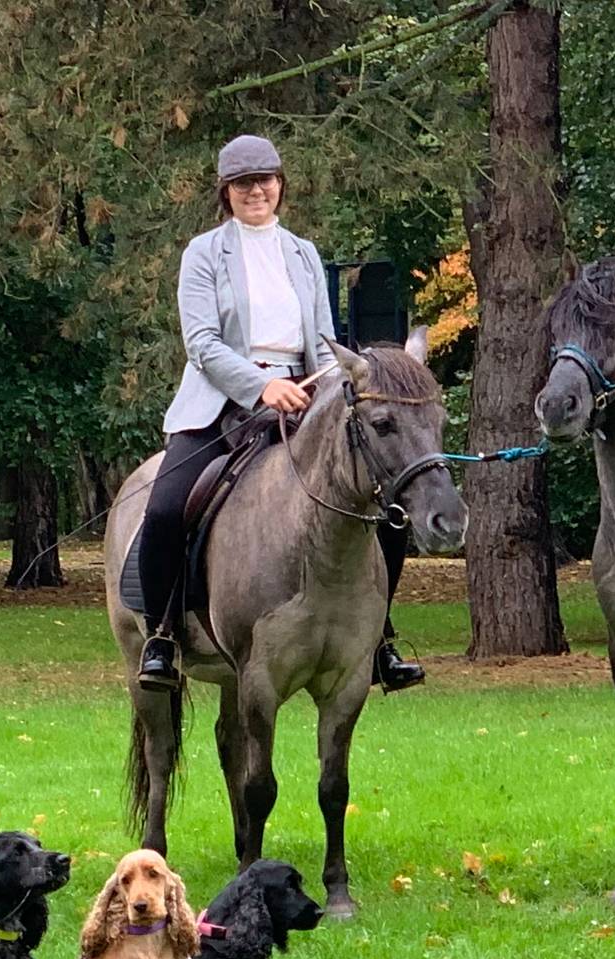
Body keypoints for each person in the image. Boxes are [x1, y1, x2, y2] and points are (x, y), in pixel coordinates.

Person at [133, 134, 422, 694]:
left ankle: (380, 638)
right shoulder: (203, 254)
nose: (256, 190)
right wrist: (261, 387)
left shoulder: (303, 253)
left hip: (308, 396)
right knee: (168, 507)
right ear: (227, 192)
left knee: (387, 506)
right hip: (223, 403)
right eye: (243, 183)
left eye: (264, 179)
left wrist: (330, 388)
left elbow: (322, 339)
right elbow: (202, 342)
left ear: (280, 185)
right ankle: (163, 636)